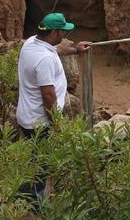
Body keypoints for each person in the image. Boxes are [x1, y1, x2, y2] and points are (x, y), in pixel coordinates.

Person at [15, 12, 93, 209]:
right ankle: (35, 206)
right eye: (62, 31)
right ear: (54, 33)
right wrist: (56, 123)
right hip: (40, 122)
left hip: (27, 117)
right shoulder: (45, 60)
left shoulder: (31, 43)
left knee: (38, 161)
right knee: (43, 166)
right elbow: (48, 95)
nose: (64, 34)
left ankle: (24, 196)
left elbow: (56, 49)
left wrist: (75, 49)